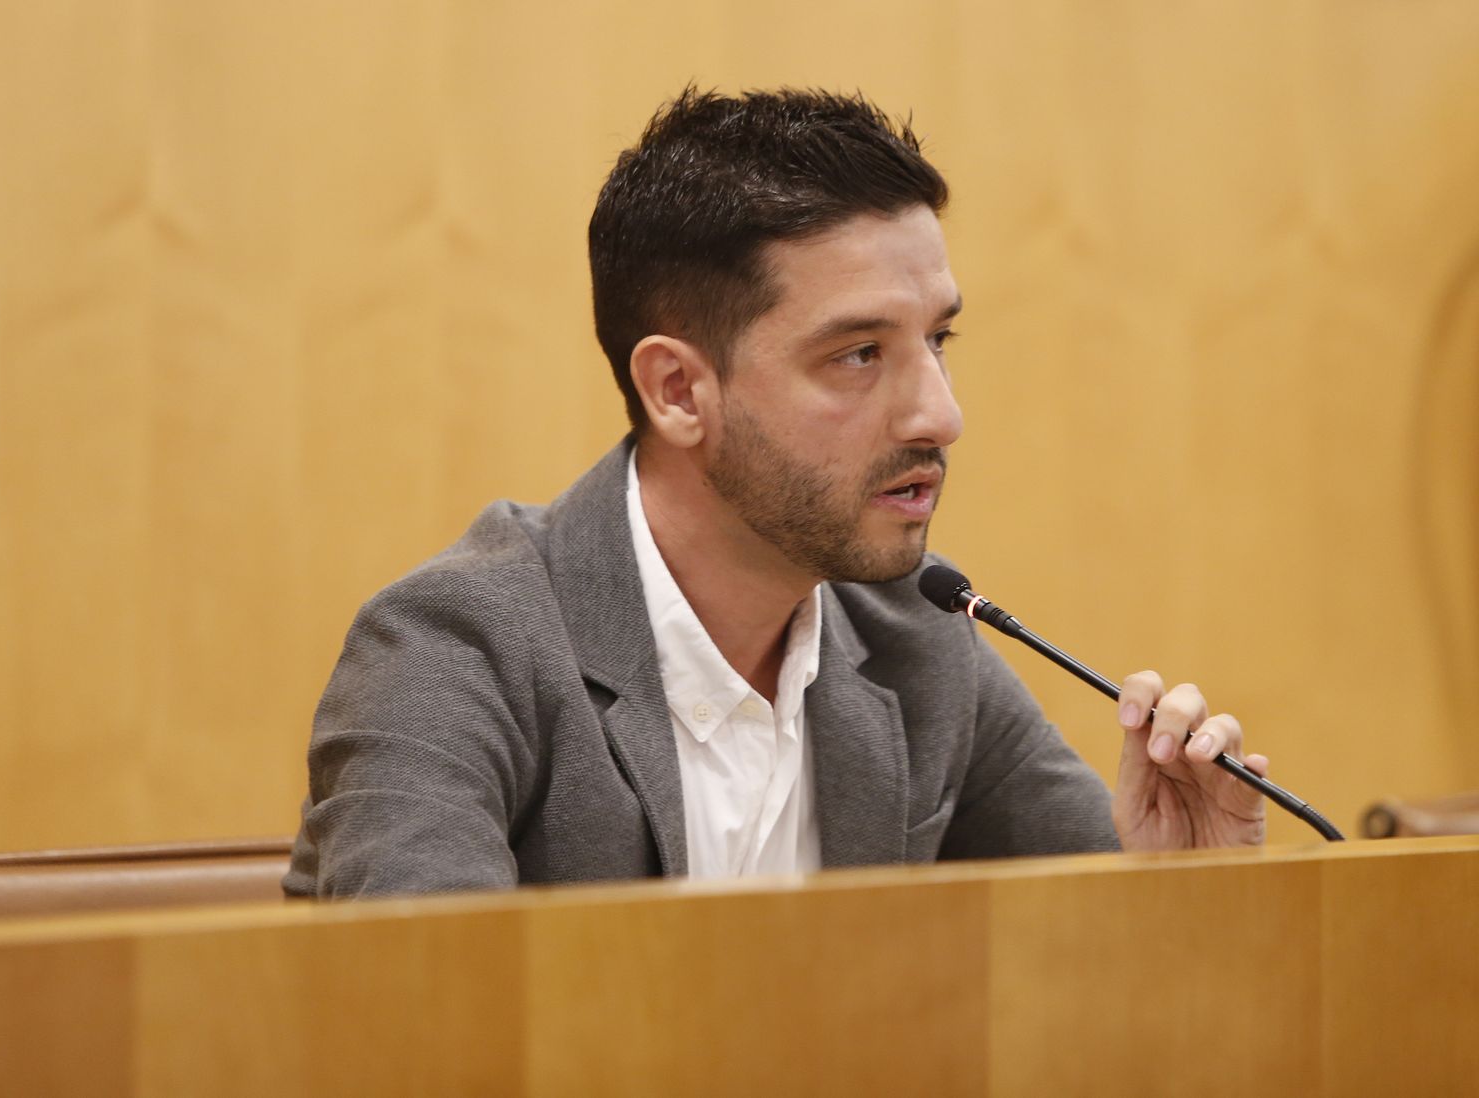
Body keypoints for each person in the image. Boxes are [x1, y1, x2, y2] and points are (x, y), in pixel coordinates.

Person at [283, 87, 1267, 899]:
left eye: (937, 342)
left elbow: (1089, 1007)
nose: (939, 415)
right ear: (677, 391)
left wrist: (1178, 903)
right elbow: (418, 1029)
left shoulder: (916, 644)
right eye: (856, 355)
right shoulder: (454, 652)